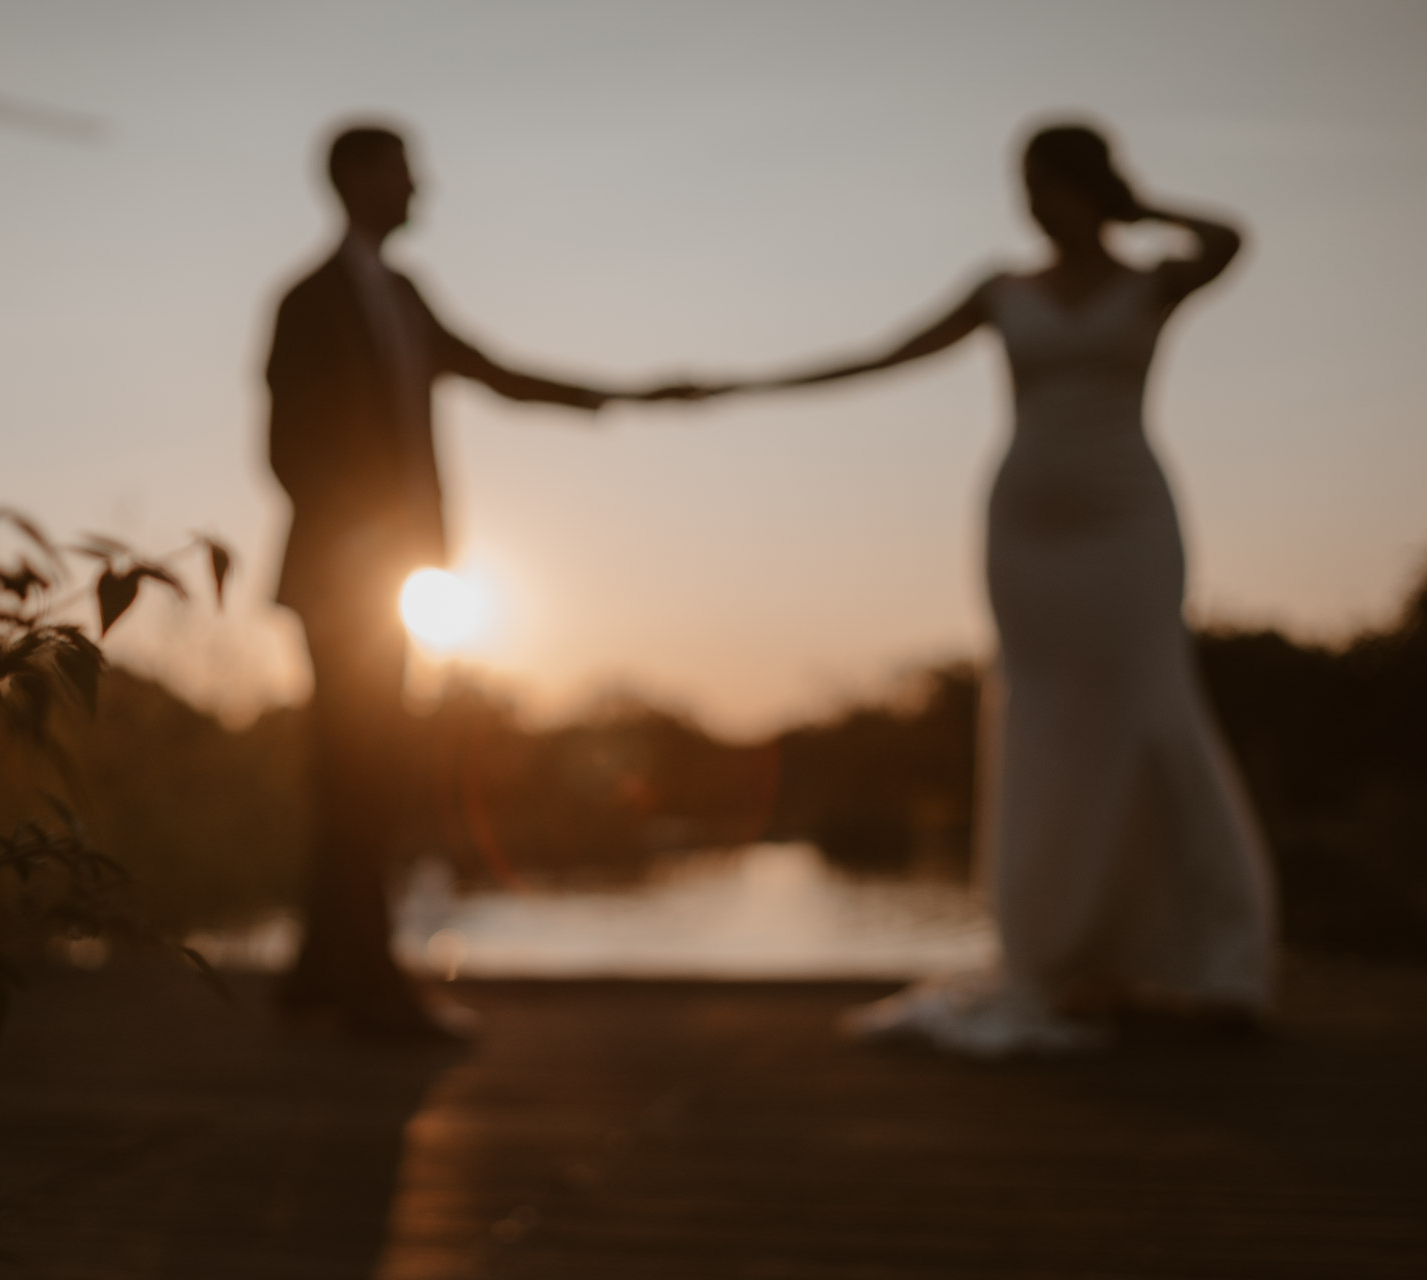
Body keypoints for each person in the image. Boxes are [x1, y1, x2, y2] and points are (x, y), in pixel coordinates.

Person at [711, 121, 1278, 1056]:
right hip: (1027, 528)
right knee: (1047, 724)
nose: (1030, 204)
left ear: (1090, 185)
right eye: (1022, 185)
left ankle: (1211, 957)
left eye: (1045, 182)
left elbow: (1230, 241)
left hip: (1127, 518)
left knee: (1152, 706)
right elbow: (890, 351)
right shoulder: (1001, 289)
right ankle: (1060, 950)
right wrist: (741, 386)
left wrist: (1143, 209)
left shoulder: (1152, 281)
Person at [264, 123, 694, 1041]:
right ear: (358, 180)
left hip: (392, 581)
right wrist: (362, 545)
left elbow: (492, 371)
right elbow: (287, 448)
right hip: (348, 583)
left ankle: (316, 978)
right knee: (359, 773)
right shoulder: (307, 301)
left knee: (358, 772)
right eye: (407, 173)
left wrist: (618, 397)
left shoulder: (406, 296)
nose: (423, 189)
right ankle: (367, 988)